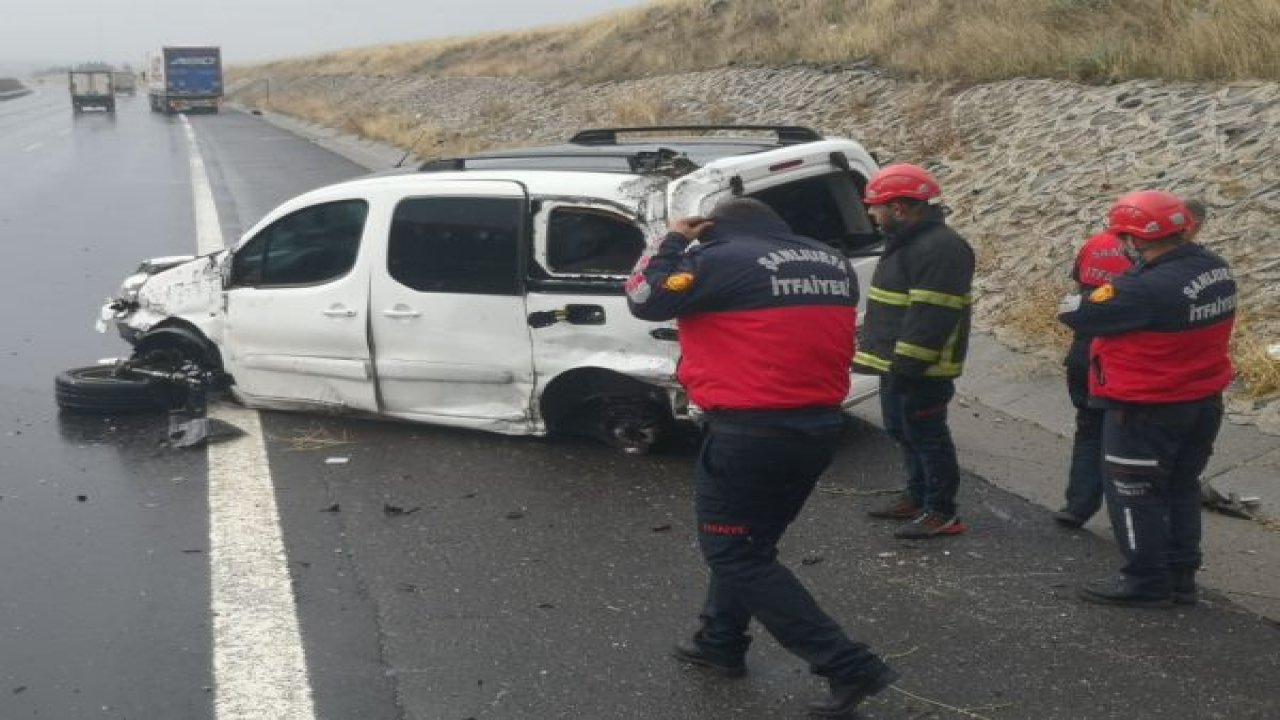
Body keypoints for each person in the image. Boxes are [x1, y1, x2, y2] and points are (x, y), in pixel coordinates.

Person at [627, 197, 898, 717]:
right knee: (748, 544)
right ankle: (718, 641)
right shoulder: (830, 261)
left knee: (735, 552)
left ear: (714, 229)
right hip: (817, 427)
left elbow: (645, 297)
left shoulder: (718, 258)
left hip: (752, 432)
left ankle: (847, 665)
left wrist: (672, 240)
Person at [1058, 190, 1235, 608]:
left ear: (1137, 238)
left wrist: (1105, 289)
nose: (1120, 244)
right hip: (1202, 400)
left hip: (1145, 408)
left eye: (1123, 236)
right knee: (1180, 488)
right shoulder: (1216, 269)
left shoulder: (1142, 289)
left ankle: (1145, 580)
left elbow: (1077, 312)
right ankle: (1181, 576)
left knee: (1133, 495)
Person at [1054, 199, 1208, 529]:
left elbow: (1076, 298)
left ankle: (1078, 506)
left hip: (1086, 354)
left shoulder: (1096, 245)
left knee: (1089, 432)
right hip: (1122, 371)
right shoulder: (1173, 274)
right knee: (1130, 466)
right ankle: (1134, 527)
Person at [853, 164, 975, 539]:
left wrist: (908, 365)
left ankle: (941, 511)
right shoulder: (908, 242)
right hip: (899, 364)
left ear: (901, 208)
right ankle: (918, 495)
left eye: (876, 207)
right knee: (902, 430)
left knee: (927, 436)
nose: (872, 214)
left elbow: (931, 315)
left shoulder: (941, 248)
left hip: (922, 369)